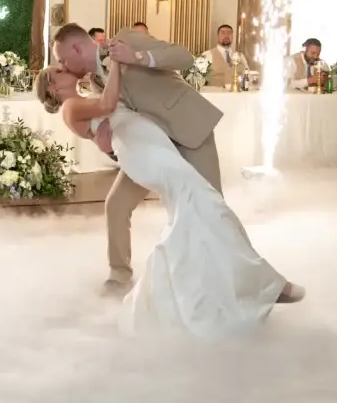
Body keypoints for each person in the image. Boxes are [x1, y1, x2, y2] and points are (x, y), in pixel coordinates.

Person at [33, 53, 304, 338]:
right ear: (52, 86)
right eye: (59, 70)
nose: (65, 68)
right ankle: (262, 284)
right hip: (141, 150)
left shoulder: (87, 91)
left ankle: (219, 285)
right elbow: (108, 106)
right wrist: (114, 63)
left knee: (197, 205)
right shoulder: (70, 107)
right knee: (202, 202)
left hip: (152, 142)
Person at [50, 23, 221, 295]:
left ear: (76, 48)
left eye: (62, 60)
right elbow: (115, 121)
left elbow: (185, 57)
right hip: (151, 147)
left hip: (187, 129)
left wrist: (139, 58)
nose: (63, 66)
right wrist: (104, 145)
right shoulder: (95, 82)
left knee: (212, 207)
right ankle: (119, 275)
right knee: (116, 204)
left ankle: (243, 279)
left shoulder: (127, 39)